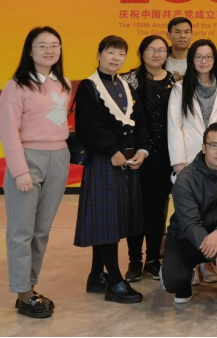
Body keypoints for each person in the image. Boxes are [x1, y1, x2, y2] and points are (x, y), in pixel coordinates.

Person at [0, 27, 71, 318]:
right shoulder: (16, 86)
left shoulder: (63, 83)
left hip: (59, 158)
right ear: (29, 51)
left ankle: (29, 287)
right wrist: (20, 171)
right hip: (28, 159)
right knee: (21, 231)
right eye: (42, 45)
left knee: (41, 231)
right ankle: (22, 292)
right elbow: (8, 131)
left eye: (55, 45)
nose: (49, 50)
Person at [73, 35, 149, 304]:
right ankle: (115, 282)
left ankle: (96, 276)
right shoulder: (89, 86)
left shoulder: (127, 86)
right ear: (99, 54)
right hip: (105, 160)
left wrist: (142, 149)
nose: (116, 58)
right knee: (106, 222)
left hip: (128, 161)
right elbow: (88, 126)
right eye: (110, 52)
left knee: (114, 219)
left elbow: (141, 122)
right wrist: (112, 151)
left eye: (121, 54)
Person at [168, 39, 217, 286]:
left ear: (215, 60)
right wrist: (179, 162)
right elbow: (175, 125)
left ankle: (207, 261)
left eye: (208, 57)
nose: (204, 61)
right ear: (192, 60)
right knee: (191, 213)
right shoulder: (180, 88)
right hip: (190, 159)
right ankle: (191, 262)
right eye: (198, 56)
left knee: (215, 211)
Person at [160, 123, 217, 311]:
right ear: (203, 148)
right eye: (214, 145)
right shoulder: (185, 179)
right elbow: (191, 225)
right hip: (187, 239)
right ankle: (184, 281)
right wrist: (216, 256)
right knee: (174, 282)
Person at [121, 35, 177, 283]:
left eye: (161, 50)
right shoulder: (129, 80)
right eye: (151, 50)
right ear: (141, 52)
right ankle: (134, 261)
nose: (156, 54)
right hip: (136, 155)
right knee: (135, 209)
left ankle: (153, 260)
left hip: (164, 156)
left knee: (157, 210)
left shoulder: (174, 81)